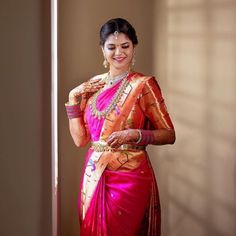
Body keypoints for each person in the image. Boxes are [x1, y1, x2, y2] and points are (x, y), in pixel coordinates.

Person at [65, 18, 175, 236]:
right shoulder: (92, 87)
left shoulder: (144, 85)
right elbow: (80, 140)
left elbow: (169, 134)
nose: (119, 53)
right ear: (102, 49)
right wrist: (72, 97)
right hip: (94, 174)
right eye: (111, 47)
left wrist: (134, 134)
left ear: (134, 47)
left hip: (130, 177)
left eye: (125, 46)